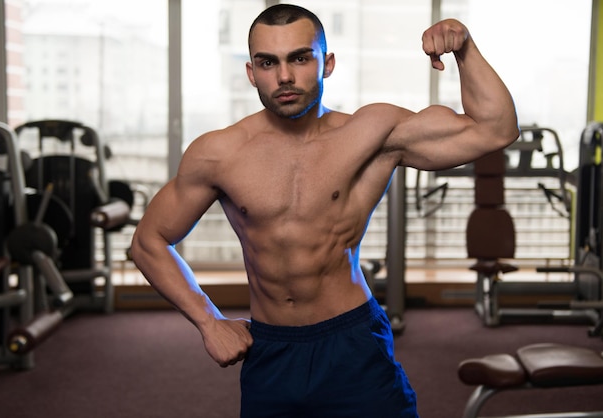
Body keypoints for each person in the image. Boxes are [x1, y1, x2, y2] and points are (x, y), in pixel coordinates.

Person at [131, 4, 519, 417]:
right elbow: (148, 241)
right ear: (251, 72)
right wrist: (208, 321)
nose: (284, 76)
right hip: (272, 350)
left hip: (351, 340)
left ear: (326, 63)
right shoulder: (219, 153)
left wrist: (465, 48)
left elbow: (496, 129)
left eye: (300, 58)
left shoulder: (371, 133)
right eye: (268, 62)